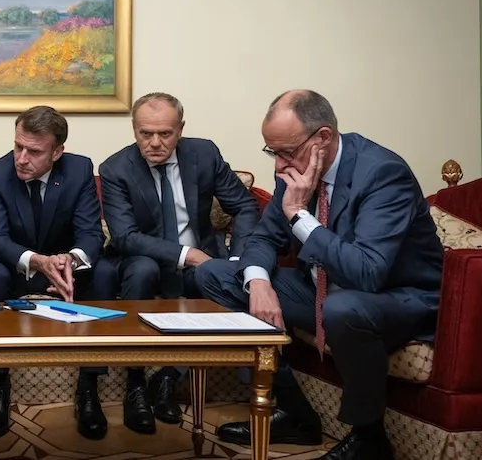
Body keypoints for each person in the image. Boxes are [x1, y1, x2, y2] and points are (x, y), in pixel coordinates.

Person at [196, 90, 443, 460]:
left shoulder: (382, 173)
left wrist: (299, 215)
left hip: (396, 297)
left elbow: (367, 271)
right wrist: (258, 282)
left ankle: (369, 438)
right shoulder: (294, 171)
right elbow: (263, 238)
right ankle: (295, 414)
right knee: (215, 274)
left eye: (287, 152)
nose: (279, 166)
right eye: (272, 153)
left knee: (342, 308)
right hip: (323, 290)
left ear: (323, 137)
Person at [98, 92, 260, 434]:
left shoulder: (204, 154)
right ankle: (135, 386)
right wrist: (187, 254)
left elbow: (244, 206)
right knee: (143, 271)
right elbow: (125, 236)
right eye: (145, 133)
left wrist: (236, 259)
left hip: (202, 262)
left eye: (165, 133)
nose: (154, 143)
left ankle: (168, 377)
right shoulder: (115, 168)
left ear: (181, 129)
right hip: (145, 260)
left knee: (218, 278)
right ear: (134, 129)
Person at [0, 105, 114, 441]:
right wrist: (37, 261)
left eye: (33, 152)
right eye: (18, 146)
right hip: (13, 265)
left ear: (56, 152)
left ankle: (89, 386)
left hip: (63, 267)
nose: (21, 159)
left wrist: (70, 260)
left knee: (105, 273)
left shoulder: (79, 170)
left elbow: (91, 233)